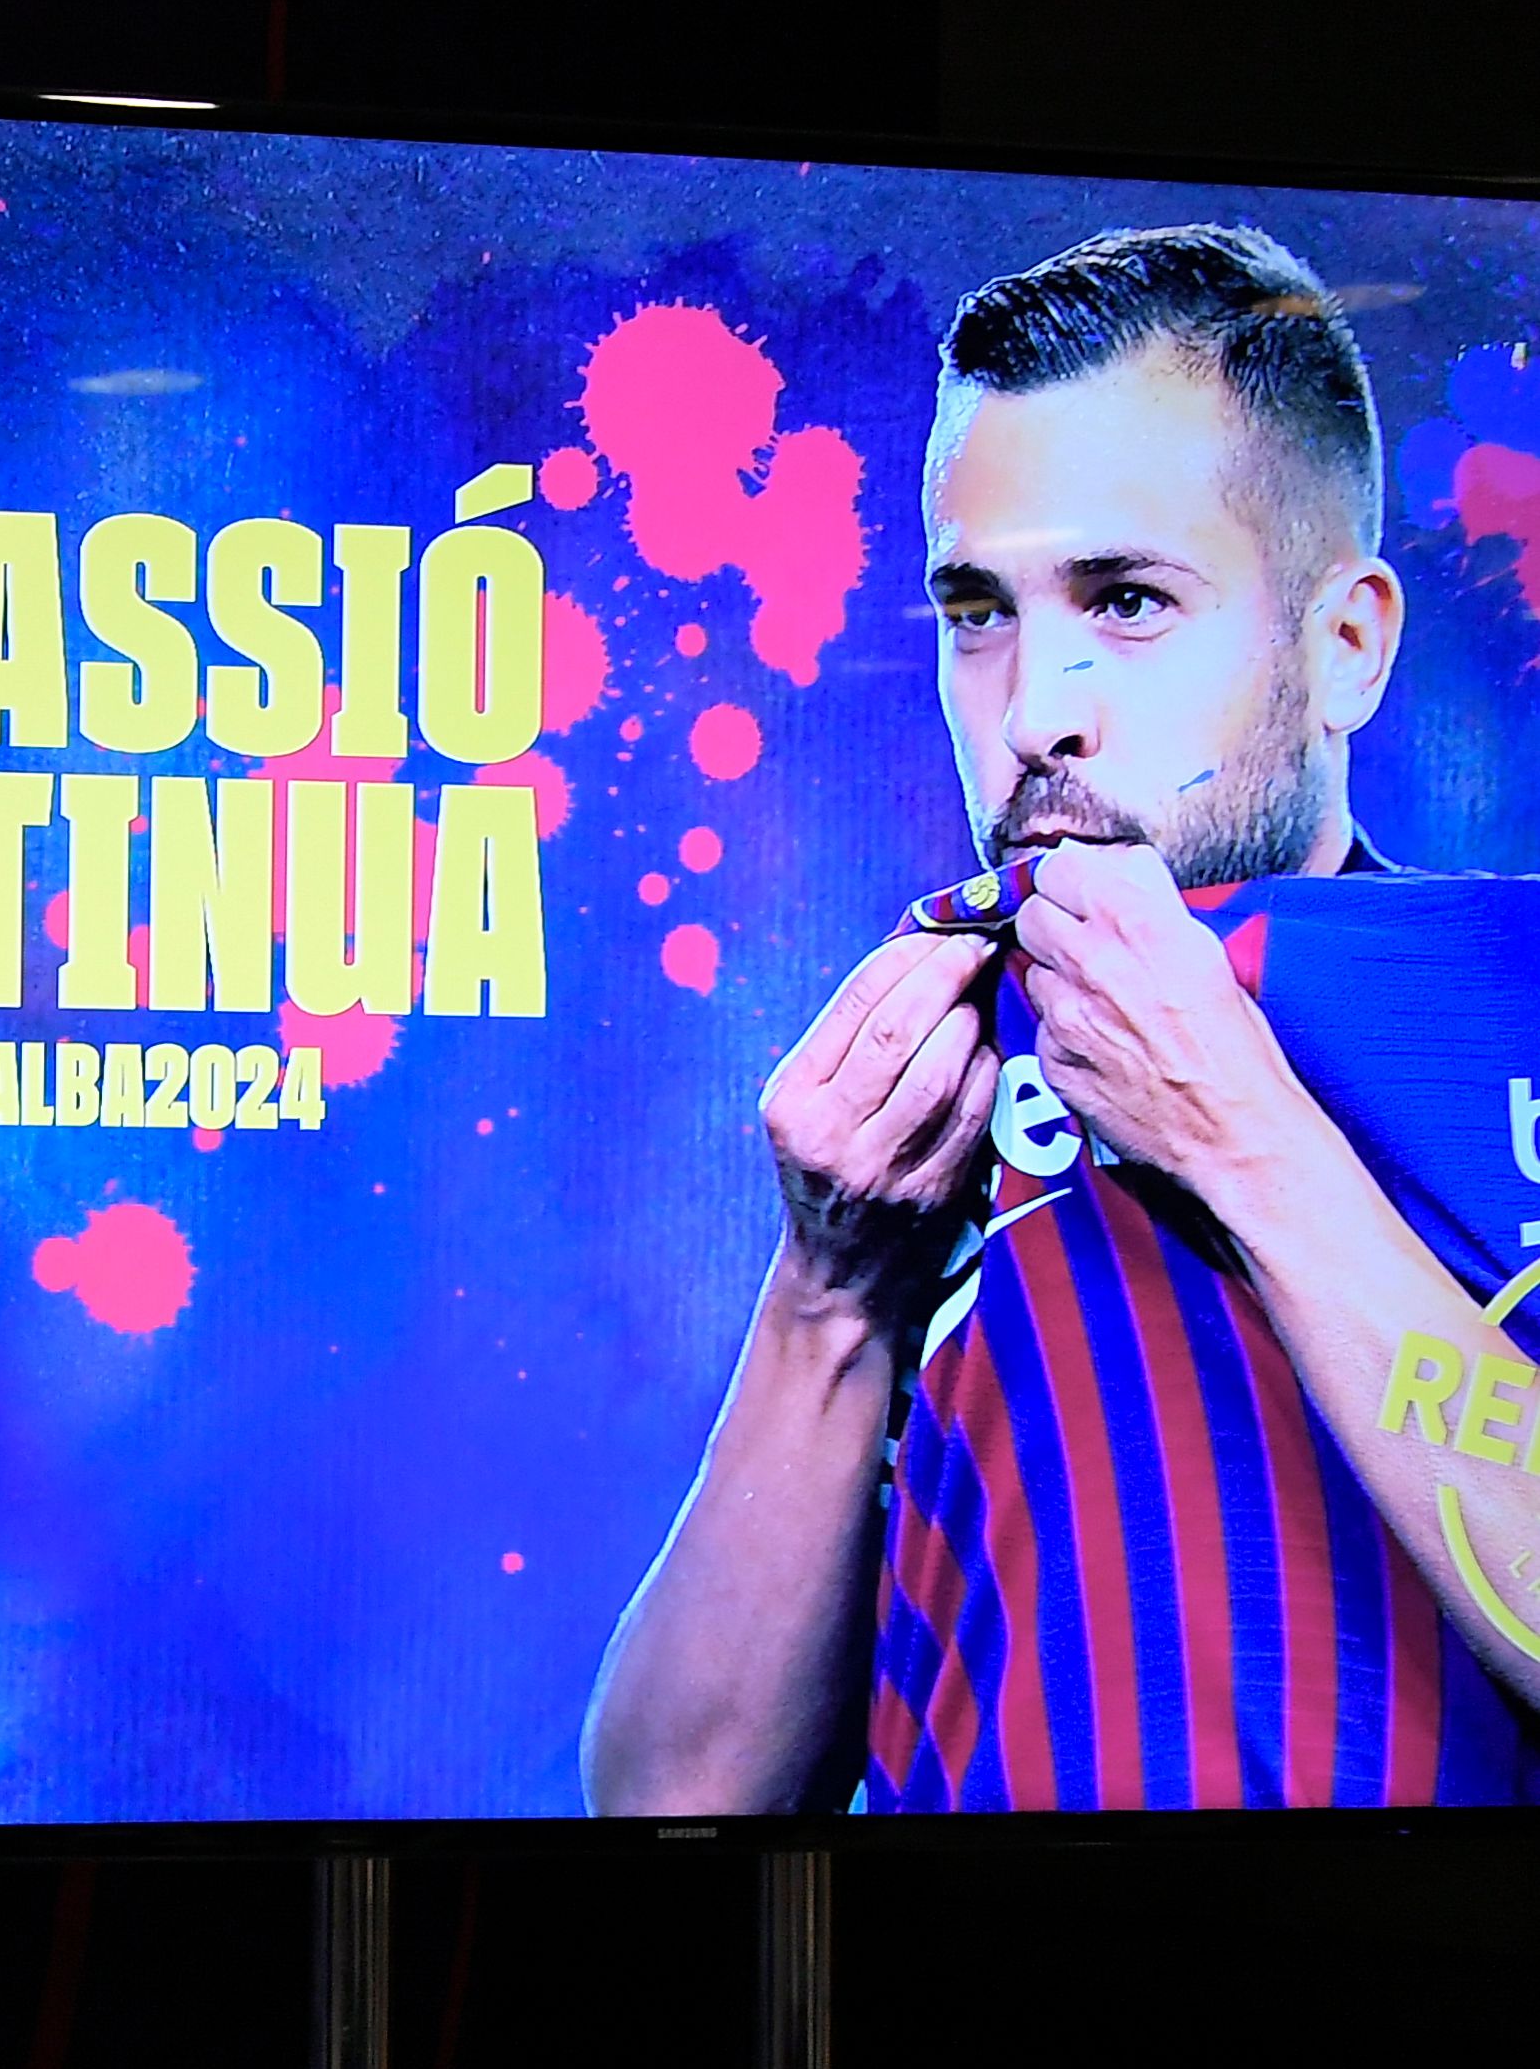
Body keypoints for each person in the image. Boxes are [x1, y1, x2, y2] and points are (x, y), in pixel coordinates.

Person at [585, 219, 1540, 1813]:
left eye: (1127, 601)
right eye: (976, 613)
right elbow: (668, 1805)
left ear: (1346, 646)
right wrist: (826, 1292)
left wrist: (1242, 1139)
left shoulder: (1504, 997)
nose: (1033, 712)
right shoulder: (921, 1076)